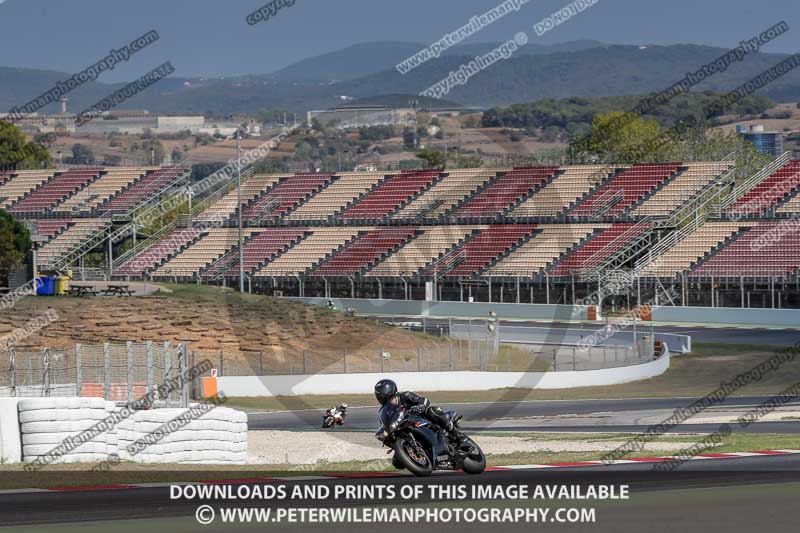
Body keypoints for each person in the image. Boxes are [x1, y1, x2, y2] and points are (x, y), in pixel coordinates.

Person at [373, 379, 470, 450]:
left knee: (432, 411)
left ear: (394, 393)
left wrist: (420, 406)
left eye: (391, 398)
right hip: (406, 429)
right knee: (396, 462)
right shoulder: (383, 412)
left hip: (423, 420)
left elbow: (424, 400)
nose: (391, 401)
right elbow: (384, 425)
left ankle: (459, 436)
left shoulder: (405, 396)